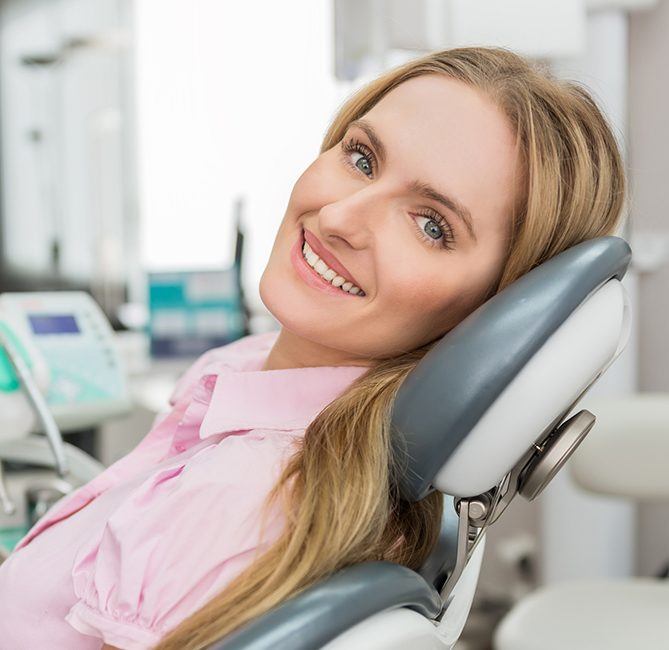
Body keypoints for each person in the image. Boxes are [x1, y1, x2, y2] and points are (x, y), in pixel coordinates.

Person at [0, 46, 626, 650]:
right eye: (361, 158)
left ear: (489, 317)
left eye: (432, 224)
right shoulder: (250, 377)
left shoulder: (235, 503)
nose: (339, 218)